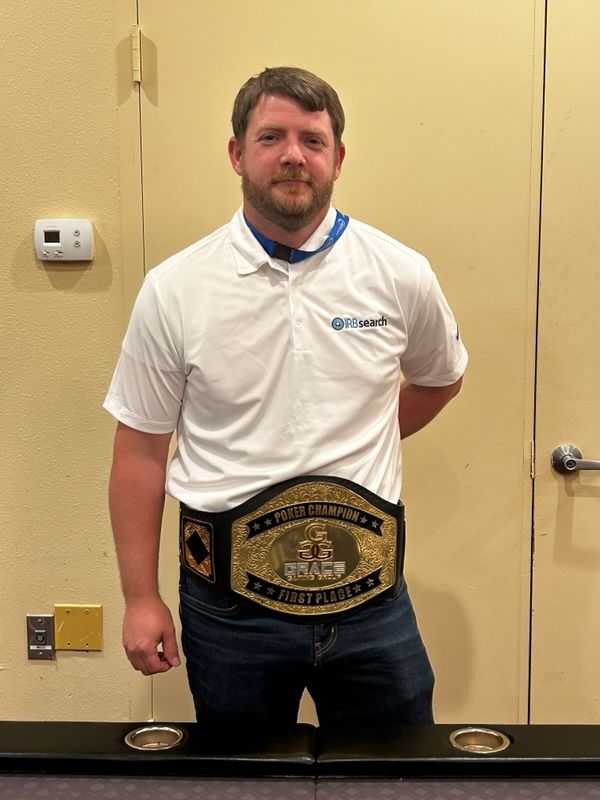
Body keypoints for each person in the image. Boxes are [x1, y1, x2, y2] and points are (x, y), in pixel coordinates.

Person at [104, 66, 467, 728]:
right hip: (229, 610)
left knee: (395, 781)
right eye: (272, 137)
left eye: (313, 139)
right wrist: (139, 597)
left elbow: (442, 376)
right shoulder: (175, 287)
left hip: (371, 604)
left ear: (338, 158)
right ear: (238, 153)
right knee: (243, 784)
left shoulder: (399, 273)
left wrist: (367, 433)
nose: (294, 155)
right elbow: (140, 449)